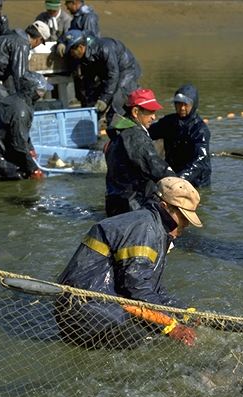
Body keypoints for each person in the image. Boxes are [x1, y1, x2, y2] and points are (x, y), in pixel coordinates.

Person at [55, 177, 203, 349]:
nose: (186, 223)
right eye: (183, 216)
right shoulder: (144, 229)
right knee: (155, 338)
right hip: (91, 312)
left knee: (162, 326)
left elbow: (152, 289)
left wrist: (184, 312)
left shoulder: (151, 224)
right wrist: (171, 326)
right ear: (165, 207)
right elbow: (136, 288)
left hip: (87, 308)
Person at [105, 88, 177, 217]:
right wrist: (179, 184)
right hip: (133, 207)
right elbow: (156, 167)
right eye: (150, 112)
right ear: (135, 111)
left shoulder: (119, 132)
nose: (154, 117)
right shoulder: (135, 136)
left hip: (115, 203)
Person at [0, 20, 51, 134]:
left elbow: (10, 75)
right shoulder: (22, 44)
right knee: (10, 107)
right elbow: (20, 76)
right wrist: (25, 101)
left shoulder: (12, 36)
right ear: (38, 39)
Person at [61, 29, 141, 127]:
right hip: (108, 72)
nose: (71, 55)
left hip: (126, 70)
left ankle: (122, 128)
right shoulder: (84, 55)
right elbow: (89, 80)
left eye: (71, 52)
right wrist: (89, 100)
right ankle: (95, 127)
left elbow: (113, 75)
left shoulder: (104, 49)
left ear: (81, 47)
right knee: (94, 100)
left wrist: (104, 99)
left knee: (117, 102)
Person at [0, 71, 53, 180]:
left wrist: (30, 148)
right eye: (40, 91)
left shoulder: (12, 100)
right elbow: (19, 143)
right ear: (31, 90)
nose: (42, 94)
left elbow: (20, 133)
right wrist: (33, 168)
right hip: (8, 167)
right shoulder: (20, 111)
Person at [148, 84, 212, 188]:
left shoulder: (200, 130)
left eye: (185, 105)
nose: (182, 108)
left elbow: (200, 160)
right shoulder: (168, 122)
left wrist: (180, 178)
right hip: (173, 174)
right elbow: (147, 133)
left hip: (196, 181)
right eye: (178, 104)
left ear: (193, 105)